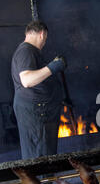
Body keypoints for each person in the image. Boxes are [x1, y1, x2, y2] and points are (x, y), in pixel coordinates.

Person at [11, 20, 66, 159]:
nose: (44, 42)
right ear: (42, 34)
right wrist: (53, 67)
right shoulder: (26, 51)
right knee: (40, 155)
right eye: (45, 39)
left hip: (38, 112)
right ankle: (43, 181)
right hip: (36, 114)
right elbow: (27, 80)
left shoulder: (29, 51)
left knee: (44, 153)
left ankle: (45, 180)